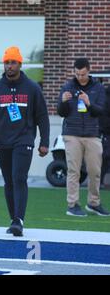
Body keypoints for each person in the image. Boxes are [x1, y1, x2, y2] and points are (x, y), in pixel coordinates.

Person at [0, 46, 50, 236]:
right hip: (2, 142)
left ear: (20, 64)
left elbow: (42, 116)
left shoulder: (32, 88)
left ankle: (19, 220)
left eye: (13, 62)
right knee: (8, 181)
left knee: (19, 178)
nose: (9, 66)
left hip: (24, 140)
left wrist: (45, 141)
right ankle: (14, 219)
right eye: (6, 63)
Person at [57, 58, 109, 216]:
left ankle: (94, 203)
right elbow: (62, 112)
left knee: (95, 170)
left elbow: (100, 111)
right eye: (78, 74)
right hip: (71, 134)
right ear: (74, 71)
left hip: (93, 134)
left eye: (83, 74)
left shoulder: (98, 88)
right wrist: (63, 102)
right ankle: (72, 205)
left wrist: (88, 103)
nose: (80, 77)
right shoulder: (67, 86)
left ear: (89, 71)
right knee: (74, 171)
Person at [98, 84, 110, 190]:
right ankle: (100, 182)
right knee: (105, 157)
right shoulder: (105, 97)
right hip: (106, 132)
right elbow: (104, 117)